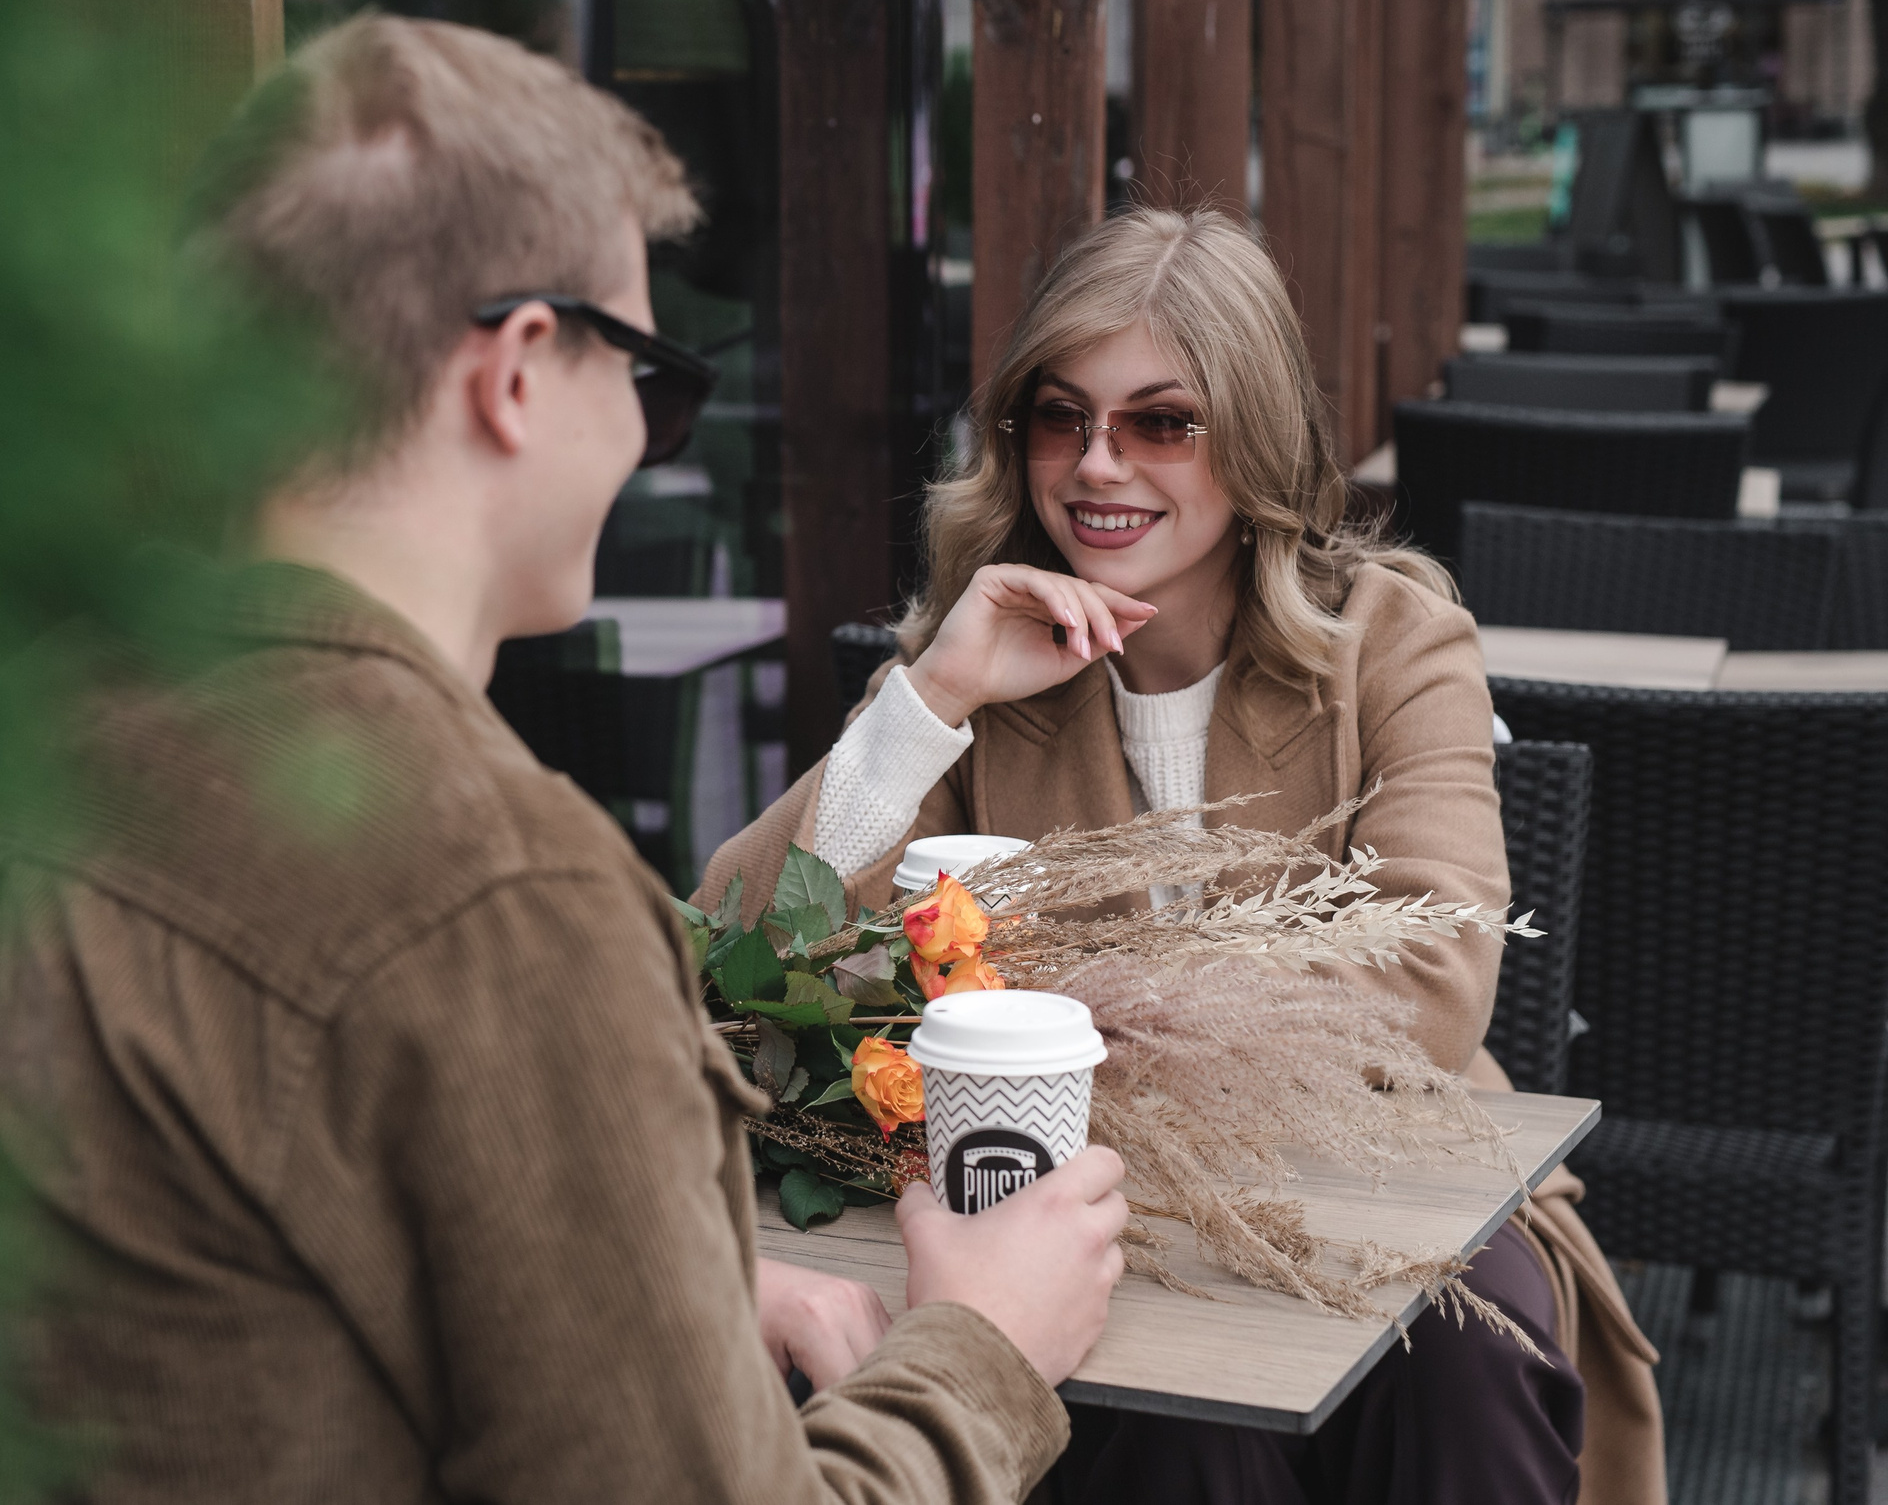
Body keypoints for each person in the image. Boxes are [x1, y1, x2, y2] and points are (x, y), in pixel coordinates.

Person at [0, 12, 1132, 1504]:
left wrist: (692, 1300)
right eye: (647, 372)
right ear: (520, 368)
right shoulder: (500, 898)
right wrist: (981, 1344)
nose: (649, 436)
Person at [701, 207, 1665, 1505]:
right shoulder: (981, 660)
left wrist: (1072, 1014)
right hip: (1086, 1211)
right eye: (1062, 415)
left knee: (1461, 1367)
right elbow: (739, 951)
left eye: (1163, 421)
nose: (1100, 464)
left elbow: (1431, 987)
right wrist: (929, 699)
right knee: (1177, 1424)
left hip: (1387, 1183)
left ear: (1253, 435)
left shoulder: (1392, 640)